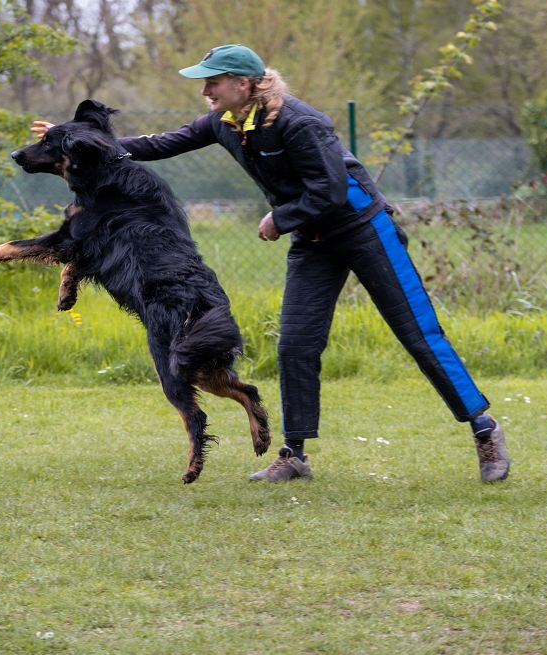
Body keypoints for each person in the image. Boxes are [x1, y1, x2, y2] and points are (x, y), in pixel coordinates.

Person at [33, 44, 510, 484]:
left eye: (212, 82)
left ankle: (484, 431)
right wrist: (71, 138)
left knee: (418, 334)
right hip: (313, 239)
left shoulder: (301, 123)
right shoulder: (222, 122)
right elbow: (157, 144)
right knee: (296, 345)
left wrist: (280, 218)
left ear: (243, 84)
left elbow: (330, 190)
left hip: (365, 231)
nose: (204, 91)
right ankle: (295, 455)